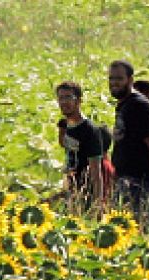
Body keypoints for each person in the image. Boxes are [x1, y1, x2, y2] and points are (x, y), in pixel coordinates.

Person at [107, 60, 149, 231]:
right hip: (126, 181)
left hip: (138, 183)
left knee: (136, 233)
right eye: (111, 78)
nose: (114, 83)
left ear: (130, 80)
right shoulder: (125, 105)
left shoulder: (139, 106)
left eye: (119, 78)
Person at [54, 81, 105, 213]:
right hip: (70, 192)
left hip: (86, 195)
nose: (63, 102)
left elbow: (96, 170)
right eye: (60, 98)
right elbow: (66, 145)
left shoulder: (90, 130)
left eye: (68, 97)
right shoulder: (68, 126)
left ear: (78, 101)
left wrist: (97, 203)